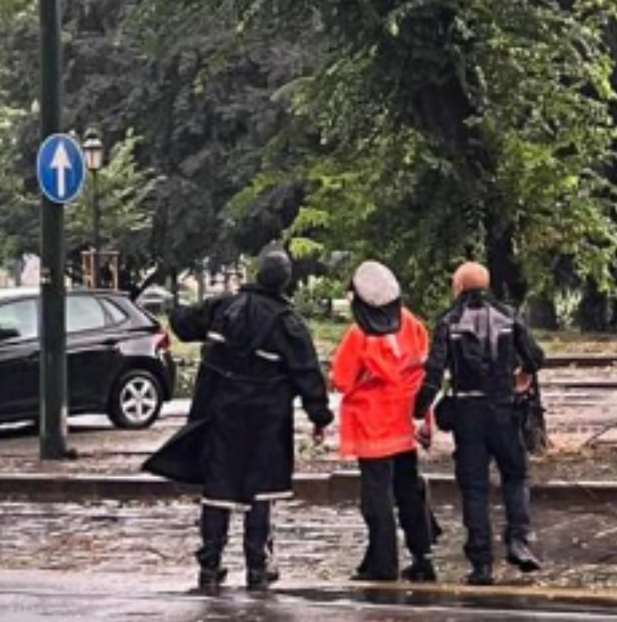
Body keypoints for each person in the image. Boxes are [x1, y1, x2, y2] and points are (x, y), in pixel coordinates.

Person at [144, 246, 333, 593]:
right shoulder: (289, 323)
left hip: (221, 415)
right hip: (267, 422)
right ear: (285, 283)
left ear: (257, 275)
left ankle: (210, 566)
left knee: (218, 488)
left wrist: (175, 304)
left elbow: (183, 324)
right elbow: (308, 374)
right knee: (261, 491)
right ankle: (258, 567)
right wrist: (319, 416)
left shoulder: (223, 307)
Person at [413, 262, 545, 586]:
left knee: (474, 489)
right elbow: (535, 356)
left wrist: (419, 409)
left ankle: (481, 563)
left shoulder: (449, 321)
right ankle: (518, 539)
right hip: (504, 409)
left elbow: (433, 372)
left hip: (468, 411)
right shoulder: (508, 316)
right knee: (515, 476)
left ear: (459, 287)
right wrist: (522, 374)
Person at [329, 261, 438, 583]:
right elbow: (423, 367)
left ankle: (383, 563)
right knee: (409, 491)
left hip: (371, 425)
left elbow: (343, 379)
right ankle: (423, 557)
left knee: (376, 497)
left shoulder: (359, 334)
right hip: (405, 423)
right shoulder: (412, 324)